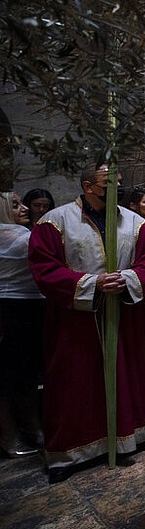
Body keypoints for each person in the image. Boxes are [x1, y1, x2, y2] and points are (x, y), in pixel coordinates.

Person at [28, 164, 145, 483]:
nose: (116, 188)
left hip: (123, 313)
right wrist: (92, 283)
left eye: (118, 183)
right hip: (76, 320)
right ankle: (71, 451)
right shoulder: (56, 222)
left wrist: (127, 278)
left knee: (127, 374)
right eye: (108, 184)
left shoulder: (135, 222)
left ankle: (132, 435)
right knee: (74, 380)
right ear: (88, 186)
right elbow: (44, 268)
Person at [0, 192, 44, 457]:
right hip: (12, 308)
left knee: (21, 375)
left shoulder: (19, 232)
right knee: (12, 377)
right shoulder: (12, 236)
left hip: (23, 306)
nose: (24, 208)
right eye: (15, 205)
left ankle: (26, 430)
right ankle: (12, 436)